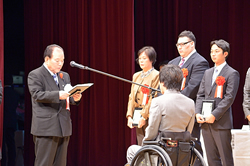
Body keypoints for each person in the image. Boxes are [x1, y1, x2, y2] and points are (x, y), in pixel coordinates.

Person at [126, 64, 195, 164]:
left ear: (162, 84)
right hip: (181, 152)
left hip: (161, 152)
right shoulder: (191, 103)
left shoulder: (158, 102)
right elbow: (188, 131)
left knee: (132, 150)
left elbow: (151, 133)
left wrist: (145, 144)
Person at [27, 44, 82, 166]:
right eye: (57, 60)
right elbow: (37, 95)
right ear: (47, 59)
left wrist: (75, 98)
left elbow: (68, 98)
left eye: (62, 60)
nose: (60, 63)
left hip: (63, 126)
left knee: (60, 163)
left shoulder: (64, 75)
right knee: (44, 163)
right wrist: (58, 95)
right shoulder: (35, 74)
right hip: (46, 128)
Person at [168, 30, 209, 165]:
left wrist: (173, 100)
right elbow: (165, 85)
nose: (179, 47)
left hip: (188, 111)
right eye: (177, 44)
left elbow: (193, 87)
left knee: (192, 145)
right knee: (175, 146)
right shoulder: (173, 62)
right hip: (172, 112)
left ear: (191, 44)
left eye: (183, 44)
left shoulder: (200, 62)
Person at [196, 39, 240, 166]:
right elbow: (200, 94)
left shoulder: (232, 73)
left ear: (225, 53)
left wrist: (214, 115)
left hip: (221, 122)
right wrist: (198, 112)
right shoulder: (207, 72)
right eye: (211, 51)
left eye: (217, 51)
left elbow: (229, 98)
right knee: (211, 158)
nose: (213, 54)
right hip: (205, 121)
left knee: (225, 158)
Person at [126, 46, 160, 146]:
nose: (141, 61)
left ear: (151, 59)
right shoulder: (136, 75)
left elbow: (154, 97)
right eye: (140, 58)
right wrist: (129, 116)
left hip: (149, 116)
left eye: (144, 58)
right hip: (137, 115)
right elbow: (131, 97)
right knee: (140, 144)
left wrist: (144, 116)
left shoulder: (156, 75)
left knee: (150, 143)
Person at [1, 74, 20, 166]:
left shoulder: (2, 94)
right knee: (11, 143)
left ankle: (3, 162)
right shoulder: (15, 93)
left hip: (2, 121)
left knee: (2, 144)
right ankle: (12, 163)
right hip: (12, 121)